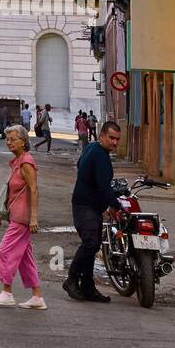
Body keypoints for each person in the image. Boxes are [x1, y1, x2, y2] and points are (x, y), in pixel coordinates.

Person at [63, 119, 123, 303]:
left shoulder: (92, 148)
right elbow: (104, 186)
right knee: (90, 244)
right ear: (102, 135)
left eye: (117, 139)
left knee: (94, 244)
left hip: (89, 206)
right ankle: (72, 280)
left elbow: (81, 167)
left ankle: (88, 287)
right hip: (85, 206)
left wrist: (104, 204)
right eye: (111, 138)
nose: (114, 142)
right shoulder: (100, 155)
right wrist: (116, 205)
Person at [0, 123, 45, 309]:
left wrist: (34, 218)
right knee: (24, 257)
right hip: (16, 215)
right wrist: (1, 212)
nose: (9, 142)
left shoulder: (26, 162)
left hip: (23, 217)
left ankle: (7, 292)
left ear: (24, 141)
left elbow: (34, 190)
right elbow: (11, 191)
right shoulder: (17, 161)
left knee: (4, 251)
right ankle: (37, 297)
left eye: (13, 139)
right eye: (7, 139)